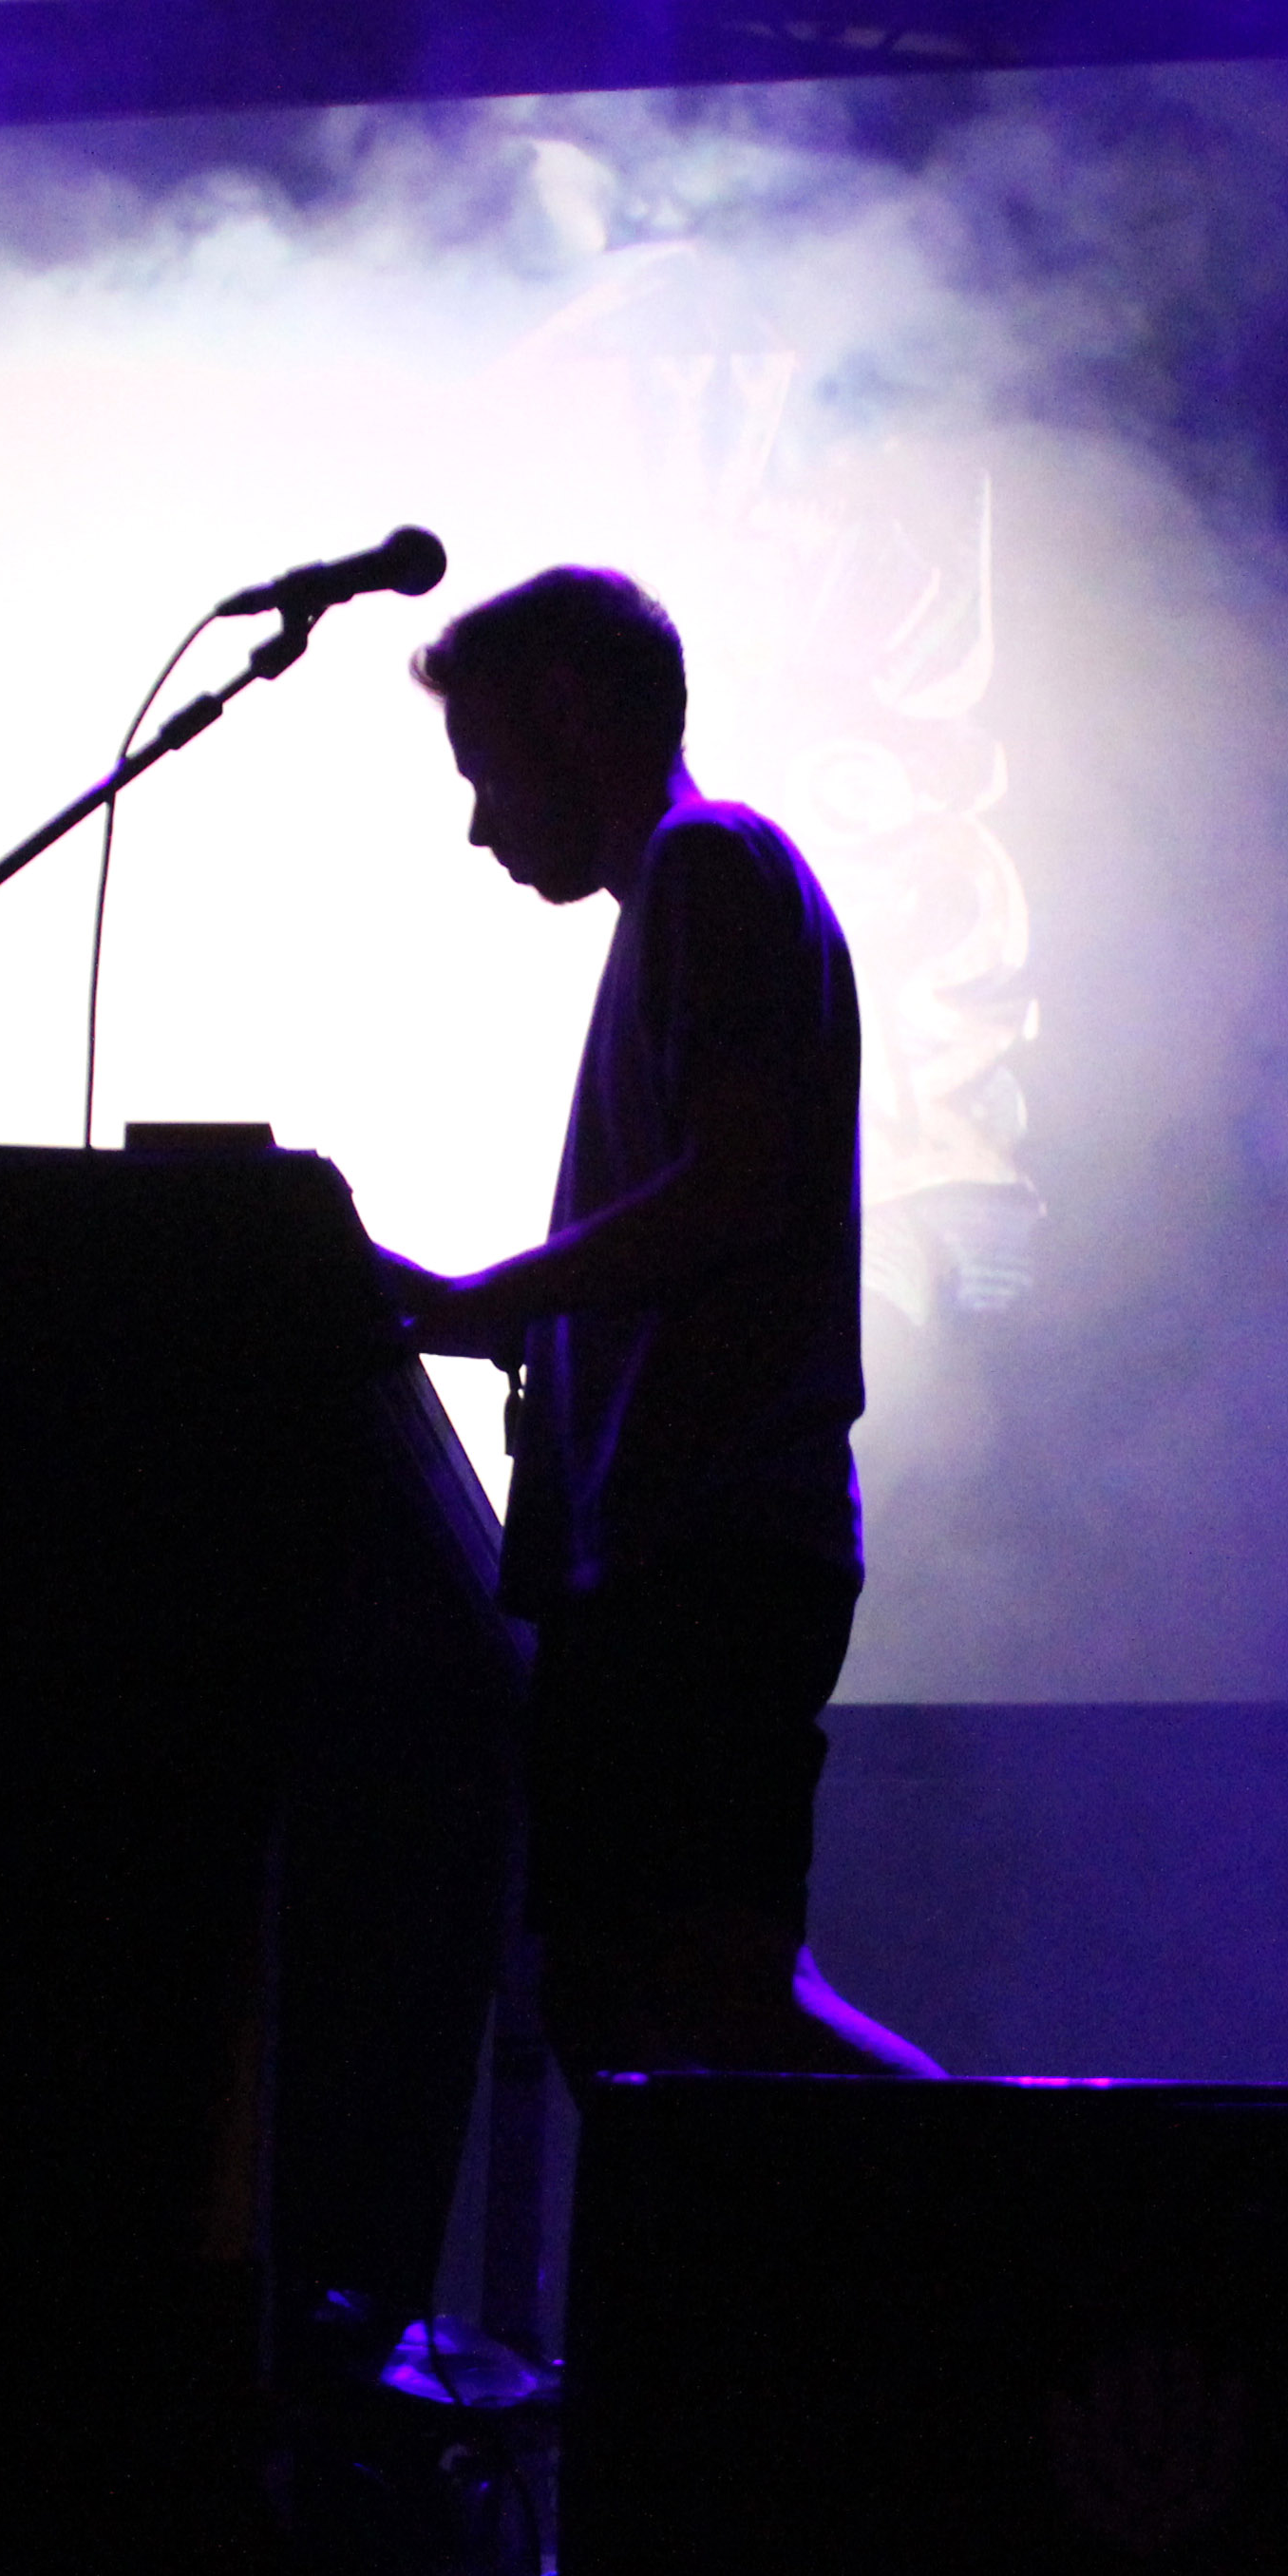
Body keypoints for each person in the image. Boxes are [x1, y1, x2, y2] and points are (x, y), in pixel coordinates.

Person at [379, 566, 940, 2102]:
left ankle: (1014, 2209)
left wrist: (489, 1299)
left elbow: (734, 1193)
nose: (483, 827)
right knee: (631, 1999)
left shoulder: (707, 866)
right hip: (685, 1552)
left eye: (487, 771)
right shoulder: (697, 892)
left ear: (572, 715)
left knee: (707, 1991)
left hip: (707, 1549)